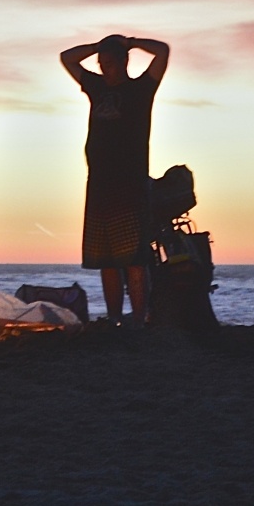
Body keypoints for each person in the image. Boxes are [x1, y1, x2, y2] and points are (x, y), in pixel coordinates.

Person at [60, 34, 170, 326]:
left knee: (134, 258)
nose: (103, 68)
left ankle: (138, 316)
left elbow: (162, 52)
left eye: (109, 62)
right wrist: (97, 46)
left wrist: (131, 42)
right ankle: (114, 317)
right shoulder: (95, 87)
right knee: (105, 258)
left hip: (130, 183)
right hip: (98, 183)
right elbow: (67, 57)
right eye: (101, 63)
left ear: (123, 62)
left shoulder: (140, 89)